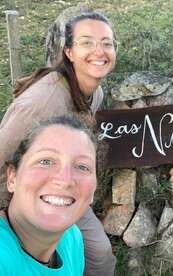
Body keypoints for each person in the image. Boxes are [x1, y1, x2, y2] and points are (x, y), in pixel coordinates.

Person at [0, 12, 117, 276]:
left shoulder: (94, 93)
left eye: (107, 43)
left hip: (62, 188)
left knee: (99, 255)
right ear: (69, 52)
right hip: (19, 196)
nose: (99, 50)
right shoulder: (42, 102)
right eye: (86, 42)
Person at [0, 115, 98, 275]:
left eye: (82, 167)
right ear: (12, 178)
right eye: (45, 161)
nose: (65, 180)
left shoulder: (72, 239)